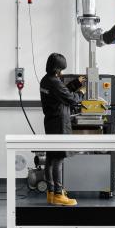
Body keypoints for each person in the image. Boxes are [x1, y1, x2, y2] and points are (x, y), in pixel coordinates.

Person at [39, 52, 85, 206]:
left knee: (51, 158)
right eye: (62, 69)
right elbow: (70, 99)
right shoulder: (54, 82)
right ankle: (59, 194)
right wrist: (81, 93)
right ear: (57, 69)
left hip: (50, 122)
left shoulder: (46, 80)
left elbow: (60, 93)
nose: (62, 72)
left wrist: (76, 83)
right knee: (58, 158)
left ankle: (51, 193)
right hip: (59, 123)